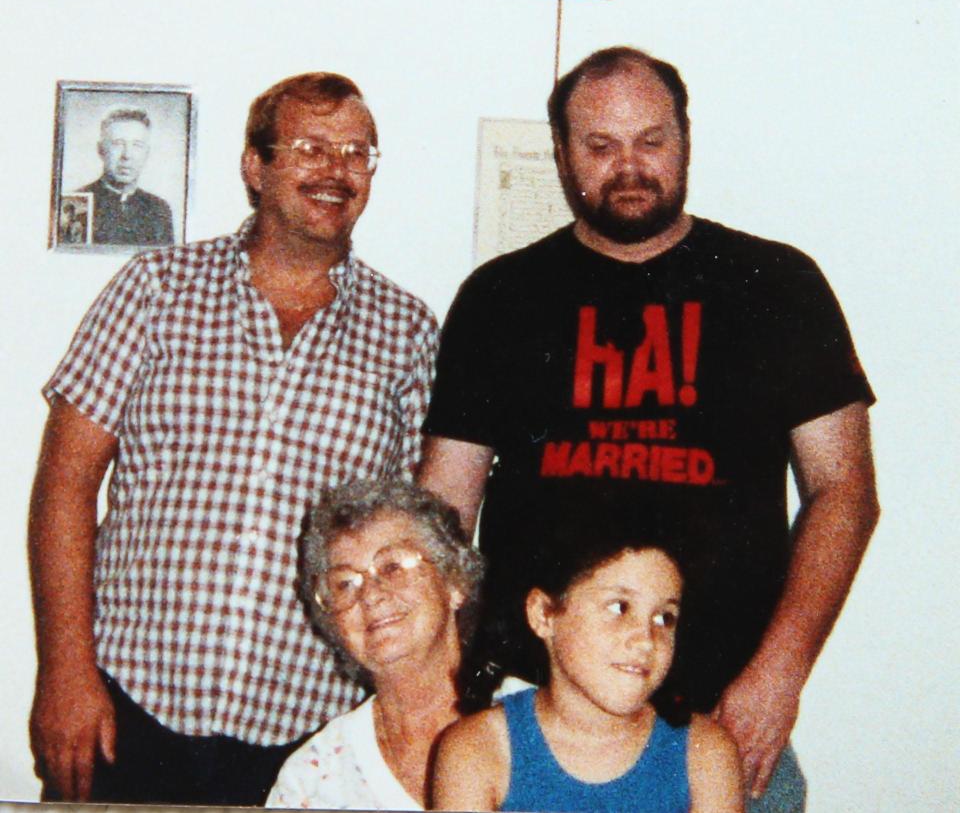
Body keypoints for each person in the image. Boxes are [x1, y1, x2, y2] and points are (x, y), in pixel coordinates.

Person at [419, 46, 879, 811]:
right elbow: (443, 511)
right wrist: (436, 686)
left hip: (723, 721)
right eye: (600, 146)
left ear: (686, 140)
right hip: (528, 727)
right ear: (563, 156)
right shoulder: (499, 297)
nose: (628, 165)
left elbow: (846, 490)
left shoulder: (778, 285)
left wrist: (779, 675)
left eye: (651, 140)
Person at [28, 73, 438, 805]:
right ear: (256, 167)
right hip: (127, 705)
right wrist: (64, 670)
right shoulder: (156, 289)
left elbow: (419, 545)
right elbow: (65, 480)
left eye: (356, 152)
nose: (335, 170)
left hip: (313, 734)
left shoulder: (407, 332)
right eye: (310, 146)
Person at [433, 517, 743, 812]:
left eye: (665, 618)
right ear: (543, 614)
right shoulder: (478, 751)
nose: (647, 640)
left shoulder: (704, 754)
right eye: (620, 607)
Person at [267, 478, 484, 811]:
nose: (370, 594)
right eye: (345, 584)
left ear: (454, 581)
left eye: (393, 566)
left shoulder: (540, 725)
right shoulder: (313, 777)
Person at [77, 107, 175, 246]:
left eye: (137, 145)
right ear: (101, 150)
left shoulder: (159, 210)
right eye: (118, 144)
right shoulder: (78, 203)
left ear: (146, 153)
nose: (127, 155)